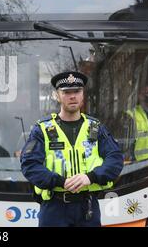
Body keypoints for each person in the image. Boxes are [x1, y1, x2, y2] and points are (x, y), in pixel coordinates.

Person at [20, 71, 123, 227]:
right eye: (66, 92)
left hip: (87, 207)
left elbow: (115, 159)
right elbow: (30, 165)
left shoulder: (95, 128)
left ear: (83, 94)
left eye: (77, 91)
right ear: (57, 95)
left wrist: (90, 177)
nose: (72, 96)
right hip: (54, 208)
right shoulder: (43, 129)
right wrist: (61, 182)